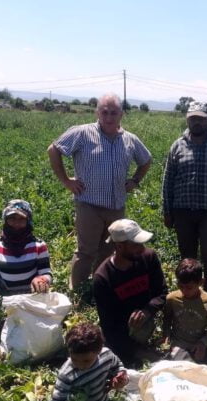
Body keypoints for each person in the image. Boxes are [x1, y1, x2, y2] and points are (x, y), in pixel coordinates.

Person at [48, 93, 152, 290]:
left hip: (116, 207)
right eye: (104, 112)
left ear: (121, 114)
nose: (109, 117)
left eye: (114, 113)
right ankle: (77, 292)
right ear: (97, 112)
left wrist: (135, 180)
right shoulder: (82, 133)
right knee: (86, 251)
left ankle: (99, 289)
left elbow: (146, 160)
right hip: (89, 204)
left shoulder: (130, 139)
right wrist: (66, 181)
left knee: (109, 250)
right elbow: (54, 150)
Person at [162, 101, 207, 297]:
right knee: (187, 255)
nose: (196, 122)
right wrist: (167, 211)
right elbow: (168, 181)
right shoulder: (177, 146)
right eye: (193, 118)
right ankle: (189, 292)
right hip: (183, 211)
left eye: (200, 119)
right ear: (187, 119)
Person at [92, 219, 168, 367]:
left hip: (147, 318)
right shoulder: (103, 278)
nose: (142, 248)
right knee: (112, 349)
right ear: (119, 246)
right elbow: (109, 327)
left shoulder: (149, 258)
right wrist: (142, 352)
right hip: (122, 327)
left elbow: (162, 292)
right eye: (136, 245)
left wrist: (147, 310)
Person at [0, 199, 52, 347]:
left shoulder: (38, 245)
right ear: (5, 220)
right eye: (12, 218)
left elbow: (46, 273)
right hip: (6, 298)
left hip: (31, 297)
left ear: (28, 221)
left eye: (21, 219)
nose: (16, 223)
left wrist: (42, 279)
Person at [47, 323, 128, 401]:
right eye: (74, 359)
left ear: (98, 351)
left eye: (86, 361)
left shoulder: (106, 356)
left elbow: (118, 367)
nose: (80, 366)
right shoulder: (66, 374)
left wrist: (121, 379)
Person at [163, 258, 207, 364]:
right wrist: (166, 335)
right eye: (180, 286)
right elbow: (167, 319)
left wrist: (203, 343)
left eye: (189, 287)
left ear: (201, 282)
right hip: (178, 343)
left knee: (206, 368)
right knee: (179, 364)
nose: (184, 291)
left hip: (198, 343)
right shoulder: (172, 299)